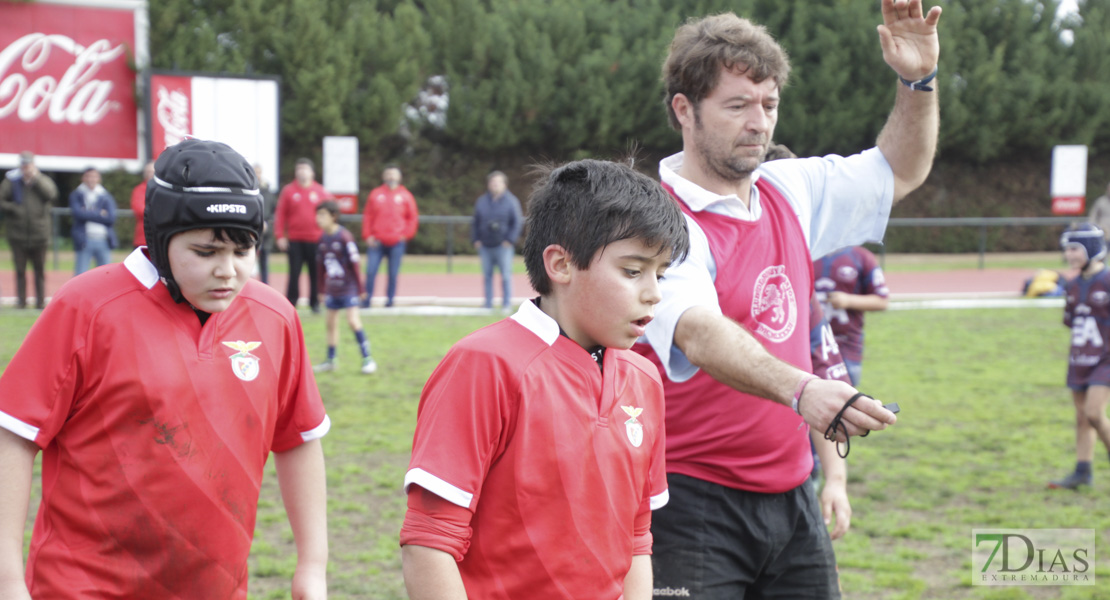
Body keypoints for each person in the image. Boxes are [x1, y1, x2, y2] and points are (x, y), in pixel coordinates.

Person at [636, 2, 939, 596]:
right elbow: (698, 332)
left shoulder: (787, 187)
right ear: (684, 111)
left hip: (793, 493)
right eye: (737, 105)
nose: (759, 123)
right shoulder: (655, 220)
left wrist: (917, 82)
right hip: (693, 499)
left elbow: (898, 172)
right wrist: (803, 389)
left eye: (769, 105)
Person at [0, 139, 330, 599]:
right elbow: (13, 434)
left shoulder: (276, 317)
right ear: (158, 238)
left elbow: (299, 439)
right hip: (81, 586)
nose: (227, 271)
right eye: (206, 251)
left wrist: (312, 566)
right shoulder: (87, 307)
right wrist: (7, 580)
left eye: (242, 250)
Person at [400, 159, 689, 599]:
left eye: (661, 273)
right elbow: (430, 542)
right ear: (560, 264)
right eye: (633, 271)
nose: (654, 292)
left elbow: (636, 536)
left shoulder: (644, 379)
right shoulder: (484, 365)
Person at [1050, 222, 1110, 490]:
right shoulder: (1072, 285)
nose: (1070, 255)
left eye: (1075, 249)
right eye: (1068, 250)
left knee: (1095, 413)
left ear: (1093, 249)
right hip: (1079, 358)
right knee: (1082, 418)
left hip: (1105, 359)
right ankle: (1082, 472)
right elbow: (1070, 321)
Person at [313, 200, 377, 374]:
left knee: (353, 321)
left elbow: (355, 264)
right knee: (331, 323)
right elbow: (320, 268)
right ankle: (331, 360)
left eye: (322, 215)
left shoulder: (344, 237)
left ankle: (367, 359)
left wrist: (361, 288)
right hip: (332, 289)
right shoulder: (322, 239)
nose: (318, 218)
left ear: (334, 217)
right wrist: (320, 290)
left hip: (348, 288)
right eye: (317, 215)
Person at [814, 245, 891, 386]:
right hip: (812, 345)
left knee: (846, 400)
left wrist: (848, 300)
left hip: (847, 345)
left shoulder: (861, 257)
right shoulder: (807, 253)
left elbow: (882, 300)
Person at [0, 151, 57, 309]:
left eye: (29, 164)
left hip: (40, 234)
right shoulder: (12, 181)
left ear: (33, 165)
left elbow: (51, 194)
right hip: (17, 234)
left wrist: (36, 179)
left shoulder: (42, 180)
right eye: (24, 165)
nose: (26, 168)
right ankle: (21, 302)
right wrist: (14, 208)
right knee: (20, 271)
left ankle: (40, 302)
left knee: (39, 271)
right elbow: (1, 200)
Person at [275, 157, 331, 312]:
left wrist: (328, 235)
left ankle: (315, 303)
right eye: (299, 169)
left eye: (305, 169)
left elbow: (330, 215)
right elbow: (281, 215)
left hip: (316, 240)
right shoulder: (289, 191)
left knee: (316, 273)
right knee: (294, 273)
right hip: (295, 240)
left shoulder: (320, 192)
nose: (302, 172)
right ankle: (291, 303)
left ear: (312, 172)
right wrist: (280, 236)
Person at [361, 166, 418, 308]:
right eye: (389, 174)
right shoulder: (375, 194)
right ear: (383, 177)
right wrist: (367, 235)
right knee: (370, 271)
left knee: (393, 274)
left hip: (396, 242)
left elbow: (412, 218)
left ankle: (390, 301)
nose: (391, 177)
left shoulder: (406, 196)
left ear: (399, 178)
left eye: (394, 175)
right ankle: (366, 300)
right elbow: (368, 216)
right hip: (377, 242)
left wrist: (406, 235)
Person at [471, 170, 523, 310]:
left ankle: (506, 304)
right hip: (485, 245)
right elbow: (476, 221)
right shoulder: (482, 201)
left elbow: (517, 222)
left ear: (505, 184)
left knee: (506, 276)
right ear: (488, 184)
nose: (495, 185)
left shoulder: (511, 202)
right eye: (492, 182)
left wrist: (509, 240)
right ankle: (488, 304)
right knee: (487, 276)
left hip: (503, 246)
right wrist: (476, 239)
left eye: (498, 182)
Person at [69, 167, 119, 275]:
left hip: (103, 240)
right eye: (88, 176)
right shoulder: (77, 194)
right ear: (83, 178)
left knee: (105, 274)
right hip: (84, 239)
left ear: (99, 178)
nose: (91, 179)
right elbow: (78, 214)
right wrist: (99, 213)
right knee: (80, 275)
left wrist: (87, 213)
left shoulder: (105, 196)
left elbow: (111, 218)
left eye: (94, 176)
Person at [255, 162, 279, 284]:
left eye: (258, 172)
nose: (257, 175)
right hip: (251, 231)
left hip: (266, 233)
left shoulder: (268, 193)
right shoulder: (247, 189)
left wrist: (268, 224)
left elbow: (275, 211)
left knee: (264, 262)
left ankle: (265, 286)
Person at [130, 161, 155, 248]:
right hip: (143, 238)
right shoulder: (139, 189)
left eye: (153, 172)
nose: (150, 174)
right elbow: (140, 210)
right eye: (148, 172)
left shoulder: (163, 190)